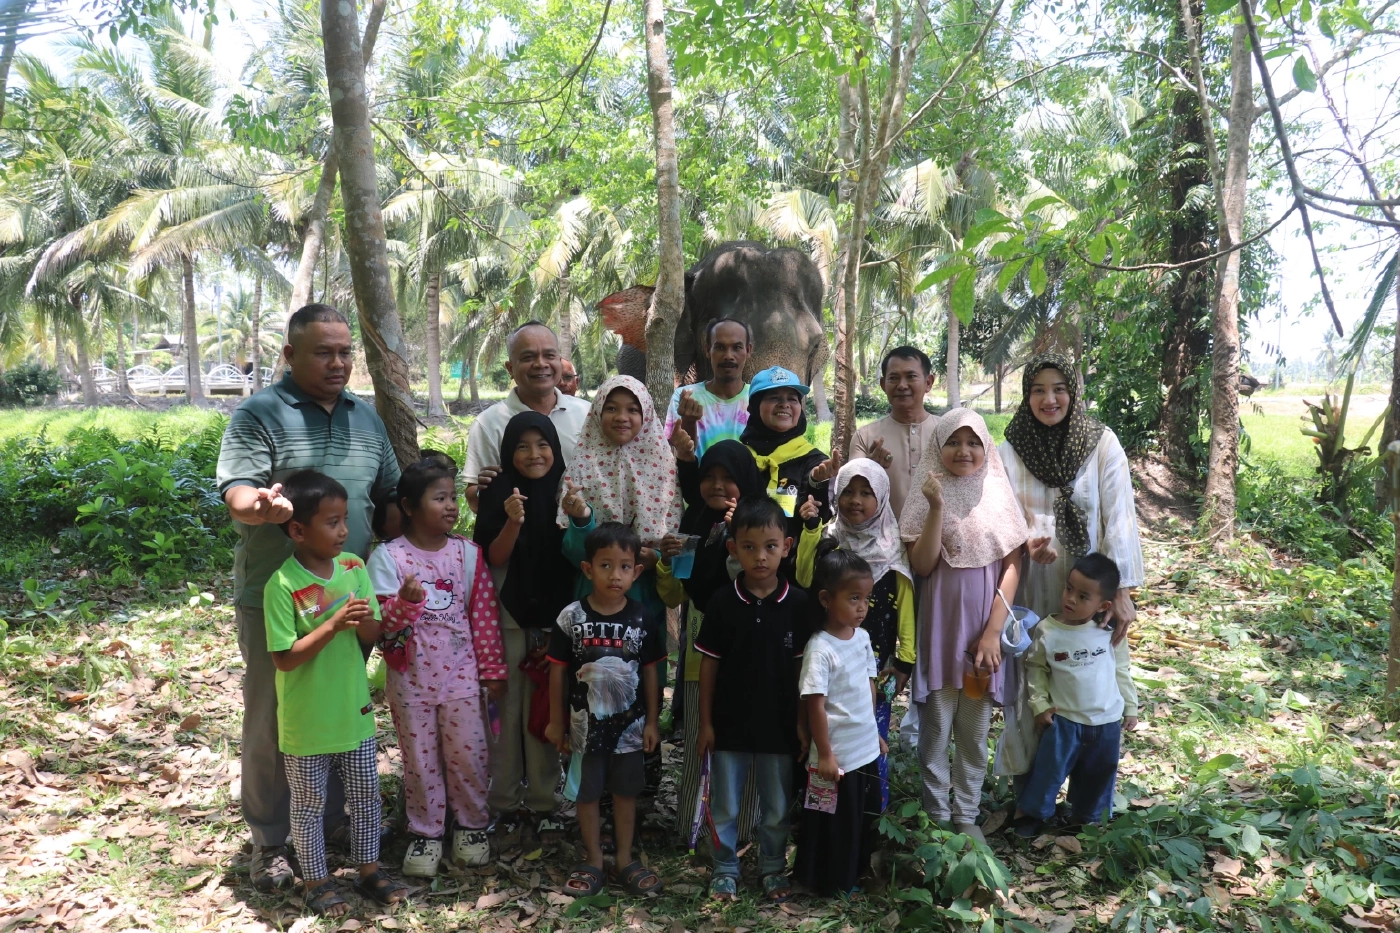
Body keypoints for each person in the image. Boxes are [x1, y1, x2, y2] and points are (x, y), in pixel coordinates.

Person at [217, 303, 400, 891]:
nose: (338, 362)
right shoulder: (259, 413)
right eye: (324, 351)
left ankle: (334, 826)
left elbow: (390, 495)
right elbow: (238, 493)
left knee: (343, 709)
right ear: (290, 354)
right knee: (276, 718)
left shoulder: (366, 419)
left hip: (350, 598)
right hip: (281, 600)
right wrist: (260, 508)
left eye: (346, 351)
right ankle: (271, 841)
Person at [262, 471, 408, 917]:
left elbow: (373, 629)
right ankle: (317, 879)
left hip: (354, 711)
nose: (344, 530)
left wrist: (363, 618)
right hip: (307, 721)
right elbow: (285, 658)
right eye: (332, 522)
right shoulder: (282, 585)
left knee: (365, 793)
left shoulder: (353, 568)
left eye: (344, 519)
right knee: (308, 806)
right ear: (298, 530)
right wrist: (331, 623)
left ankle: (368, 867)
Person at [367, 457, 508, 876]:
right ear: (409, 506)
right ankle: (426, 832)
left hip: (462, 680)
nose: (450, 506)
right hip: (410, 683)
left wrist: (493, 672)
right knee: (420, 759)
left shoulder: (467, 555)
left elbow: (483, 619)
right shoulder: (389, 558)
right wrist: (404, 604)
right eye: (438, 498)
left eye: (452, 497)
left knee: (469, 755)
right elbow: (382, 630)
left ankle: (471, 827)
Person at [900, 409, 1027, 843]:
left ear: (986, 448)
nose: (964, 451)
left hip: (981, 644)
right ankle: (936, 813)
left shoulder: (996, 492)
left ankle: (966, 813)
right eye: (954, 441)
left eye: (973, 442)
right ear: (938, 446)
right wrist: (936, 506)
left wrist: (992, 633)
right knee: (936, 728)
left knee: (973, 732)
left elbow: (1012, 565)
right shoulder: (927, 490)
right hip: (939, 634)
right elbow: (922, 562)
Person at [694, 496, 808, 903]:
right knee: (725, 803)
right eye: (749, 547)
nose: (761, 557)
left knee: (777, 804)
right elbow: (708, 666)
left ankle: (773, 866)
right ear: (733, 548)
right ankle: (725, 867)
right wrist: (705, 722)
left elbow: (801, 672)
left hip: (779, 726)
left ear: (787, 546)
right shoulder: (723, 603)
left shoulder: (798, 604)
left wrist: (801, 721)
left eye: (771, 547)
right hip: (728, 725)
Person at [546, 523, 665, 898]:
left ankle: (626, 858)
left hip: (630, 729)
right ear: (587, 569)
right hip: (584, 729)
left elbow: (650, 673)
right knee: (588, 793)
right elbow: (558, 672)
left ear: (637, 571)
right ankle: (594, 859)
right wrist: (555, 721)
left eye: (625, 566)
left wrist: (653, 721)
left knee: (627, 792)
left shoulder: (644, 617)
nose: (616, 575)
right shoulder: (570, 618)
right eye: (606, 565)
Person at [472, 413, 578, 836]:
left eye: (542, 444)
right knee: (506, 707)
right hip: (509, 616)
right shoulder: (499, 490)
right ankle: (503, 800)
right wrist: (513, 519)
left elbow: (577, 551)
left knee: (546, 709)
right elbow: (493, 557)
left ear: (556, 447)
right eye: (522, 446)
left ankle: (544, 800)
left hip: (558, 620)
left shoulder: (568, 491)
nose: (534, 454)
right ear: (507, 452)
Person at [1000, 353, 1144, 642]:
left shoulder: (1101, 444)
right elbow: (1004, 519)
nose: (1049, 399)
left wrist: (1120, 591)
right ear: (1027, 395)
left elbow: (1119, 519)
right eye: (1038, 390)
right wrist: (1027, 544)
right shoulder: (1009, 451)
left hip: (1093, 595)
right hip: (1032, 587)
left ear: (1073, 392)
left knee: (1091, 680)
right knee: (1035, 675)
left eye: (1059, 389)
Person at [796, 459, 914, 809]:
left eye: (866, 493)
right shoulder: (829, 538)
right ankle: (822, 813)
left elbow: (906, 609)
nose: (856, 500)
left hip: (876, 671)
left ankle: (870, 813)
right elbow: (804, 578)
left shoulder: (892, 547)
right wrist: (812, 530)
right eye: (847, 491)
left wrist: (904, 661)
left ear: (882, 497)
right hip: (831, 664)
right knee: (825, 731)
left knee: (872, 738)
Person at [664, 440, 764, 846]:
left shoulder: (761, 524)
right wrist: (668, 559)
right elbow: (676, 594)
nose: (718, 486)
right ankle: (689, 829)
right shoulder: (695, 518)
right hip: (700, 643)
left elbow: (757, 582)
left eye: (729, 478)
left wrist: (739, 533)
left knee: (746, 738)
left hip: (750, 646)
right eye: (709, 477)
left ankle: (742, 832)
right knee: (698, 738)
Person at [1013, 553, 1139, 837]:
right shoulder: (1048, 629)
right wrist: (1039, 705)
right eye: (1069, 588)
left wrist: (1131, 706)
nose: (1070, 599)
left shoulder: (1108, 630)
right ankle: (1033, 815)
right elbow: (1035, 669)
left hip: (1106, 723)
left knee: (1098, 774)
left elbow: (1121, 668)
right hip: (1065, 722)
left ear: (1104, 605)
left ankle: (1086, 818)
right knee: (1048, 773)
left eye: (1083, 596)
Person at [794, 549, 884, 896]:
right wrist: (826, 755)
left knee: (864, 815)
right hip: (834, 759)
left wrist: (875, 733)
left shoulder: (861, 638)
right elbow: (815, 703)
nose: (862, 607)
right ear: (826, 600)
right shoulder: (820, 648)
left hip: (864, 750)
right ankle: (826, 881)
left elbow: (869, 685)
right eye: (854, 598)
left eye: (866, 598)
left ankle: (856, 872)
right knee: (829, 821)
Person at [558, 375, 683, 618]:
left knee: (645, 653)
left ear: (646, 414)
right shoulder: (582, 465)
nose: (622, 417)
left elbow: (674, 540)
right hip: (593, 595)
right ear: (597, 413)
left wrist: (655, 557)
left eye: (632, 409)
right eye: (612, 408)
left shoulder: (663, 465)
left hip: (645, 594)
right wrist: (582, 520)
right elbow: (573, 552)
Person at [465, 321, 590, 513]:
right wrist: (486, 491)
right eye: (528, 357)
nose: (541, 364)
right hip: (522, 537)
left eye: (549, 355)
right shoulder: (489, 424)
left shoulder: (588, 414)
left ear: (559, 360)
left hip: (585, 534)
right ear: (510, 368)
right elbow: (474, 499)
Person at [740, 366, 837, 555]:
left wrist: (816, 484)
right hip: (743, 561)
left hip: (794, 567)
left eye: (792, 399)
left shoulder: (813, 460)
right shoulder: (740, 457)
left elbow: (822, 516)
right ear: (754, 407)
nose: (784, 404)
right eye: (774, 397)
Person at [848, 346, 939, 520]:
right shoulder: (865, 437)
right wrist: (869, 469)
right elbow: (851, 497)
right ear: (883, 385)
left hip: (941, 541)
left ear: (928, 383)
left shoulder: (949, 434)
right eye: (894, 378)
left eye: (911, 377)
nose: (902, 385)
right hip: (881, 543)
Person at [663, 318, 753, 459]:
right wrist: (689, 421)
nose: (728, 356)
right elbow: (680, 452)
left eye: (737, 348)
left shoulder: (759, 399)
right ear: (707, 350)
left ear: (748, 351)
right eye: (720, 347)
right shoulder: (685, 397)